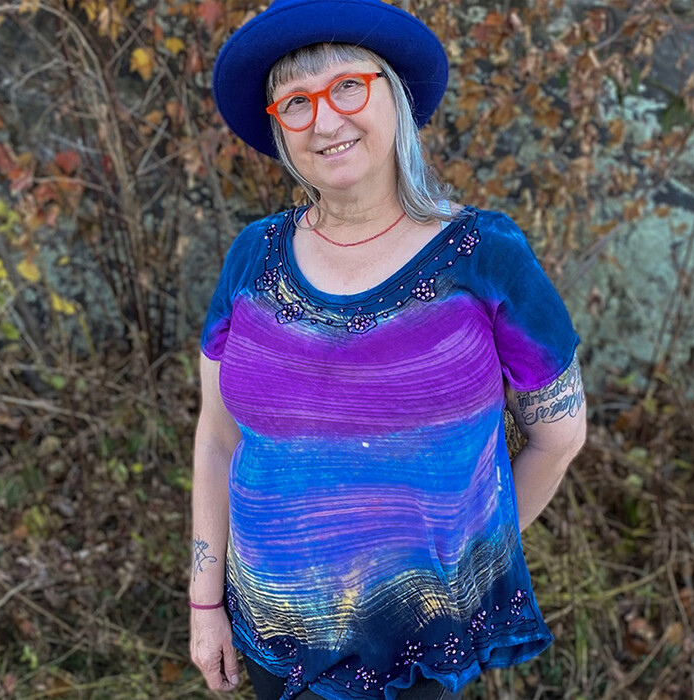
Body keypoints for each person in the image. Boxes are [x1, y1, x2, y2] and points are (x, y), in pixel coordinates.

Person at [190, 1, 588, 698]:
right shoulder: (252, 256)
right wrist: (204, 603)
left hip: (414, 657)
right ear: (280, 131)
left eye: (349, 85)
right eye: (295, 102)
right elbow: (218, 436)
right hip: (268, 634)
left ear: (394, 95)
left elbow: (558, 436)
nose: (326, 119)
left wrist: (460, 573)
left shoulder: (485, 257)